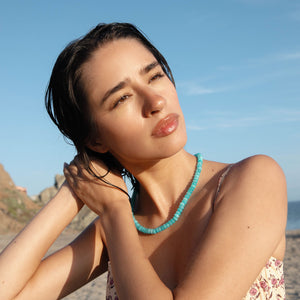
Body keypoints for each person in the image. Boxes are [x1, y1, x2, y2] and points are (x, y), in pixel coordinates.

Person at [0, 23, 287, 300]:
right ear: (95, 139)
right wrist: (74, 189)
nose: (155, 101)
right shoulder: (117, 225)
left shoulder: (252, 179)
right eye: (122, 98)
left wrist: (114, 212)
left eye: (155, 76)